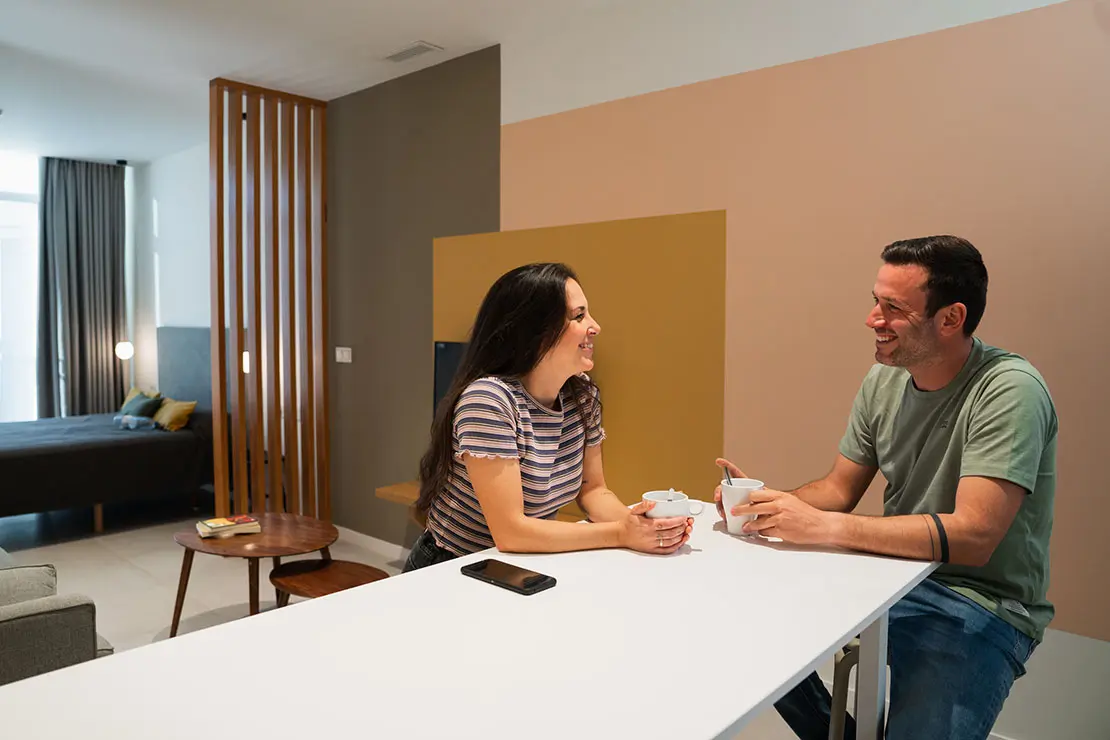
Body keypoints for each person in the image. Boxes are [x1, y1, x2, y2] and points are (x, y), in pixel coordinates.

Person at [716, 236, 1056, 739]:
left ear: (950, 318)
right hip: (888, 580)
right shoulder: (884, 380)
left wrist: (823, 527)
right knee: (737, 625)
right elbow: (836, 489)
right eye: (876, 301)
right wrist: (765, 503)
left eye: (893, 307)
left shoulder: (1009, 390)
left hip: (978, 602)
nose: (873, 318)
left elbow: (973, 538)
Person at [403, 262, 693, 572]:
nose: (595, 327)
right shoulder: (489, 401)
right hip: (452, 568)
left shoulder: (582, 395)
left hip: (518, 566)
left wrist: (643, 526)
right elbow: (511, 531)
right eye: (579, 316)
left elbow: (593, 490)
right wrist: (622, 533)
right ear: (537, 331)